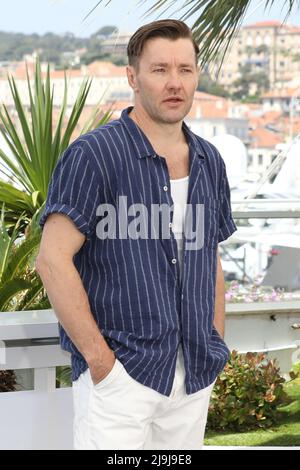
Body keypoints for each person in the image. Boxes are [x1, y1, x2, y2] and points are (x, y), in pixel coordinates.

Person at [36, 19, 237, 450]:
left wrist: (214, 341)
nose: (174, 82)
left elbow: (209, 257)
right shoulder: (94, 155)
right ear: (133, 76)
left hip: (193, 377)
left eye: (185, 69)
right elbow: (52, 260)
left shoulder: (210, 161)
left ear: (197, 75)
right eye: (160, 69)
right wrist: (101, 363)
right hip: (122, 377)